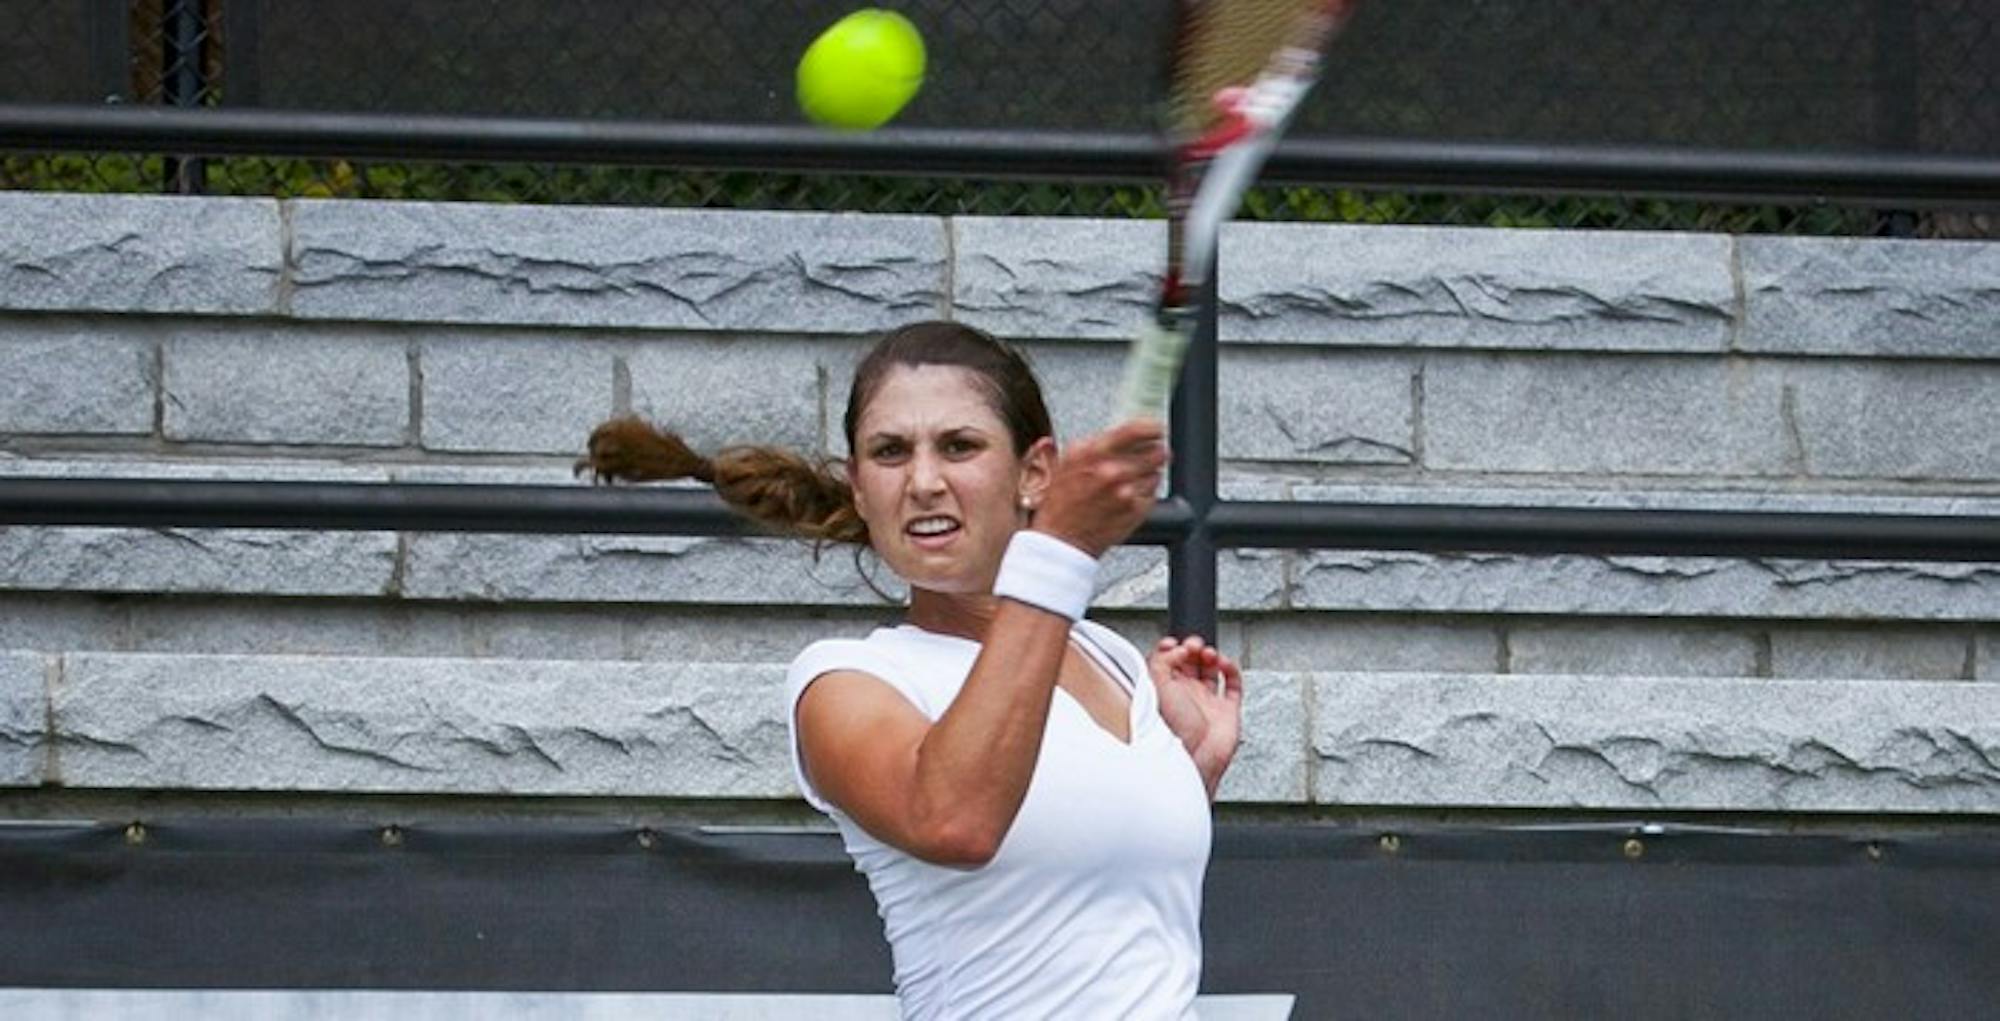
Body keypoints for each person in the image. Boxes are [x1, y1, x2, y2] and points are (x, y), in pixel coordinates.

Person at [578, 320, 1244, 1019]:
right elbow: (956, 819)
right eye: (891, 452)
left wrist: (1189, 764)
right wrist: (1060, 549)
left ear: (1034, 471)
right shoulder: (845, 682)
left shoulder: (1111, 659)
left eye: (959, 446)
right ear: (861, 487)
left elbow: (1088, 893)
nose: (924, 480)